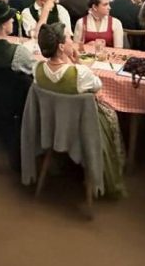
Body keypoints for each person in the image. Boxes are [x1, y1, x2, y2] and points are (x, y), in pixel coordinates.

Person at [33, 23, 126, 198]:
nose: (72, 41)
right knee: (110, 113)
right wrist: (77, 62)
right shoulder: (80, 73)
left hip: (52, 123)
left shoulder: (37, 69)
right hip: (81, 126)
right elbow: (97, 85)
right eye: (69, 38)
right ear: (61, 46)